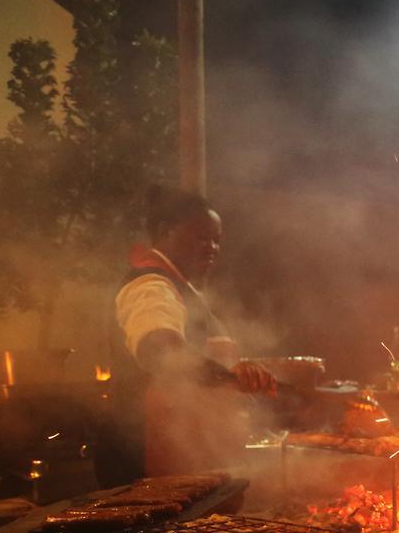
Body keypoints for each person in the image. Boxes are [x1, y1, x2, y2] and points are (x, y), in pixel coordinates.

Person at [94, 186, 275, 487]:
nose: (212, 248)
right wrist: (230, 376)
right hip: (145, 459)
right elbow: (160, 352)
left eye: (216, 240)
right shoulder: (151, 286)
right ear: (165, 233)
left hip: (187, 458)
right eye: (201, 238)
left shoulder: (187, 292)